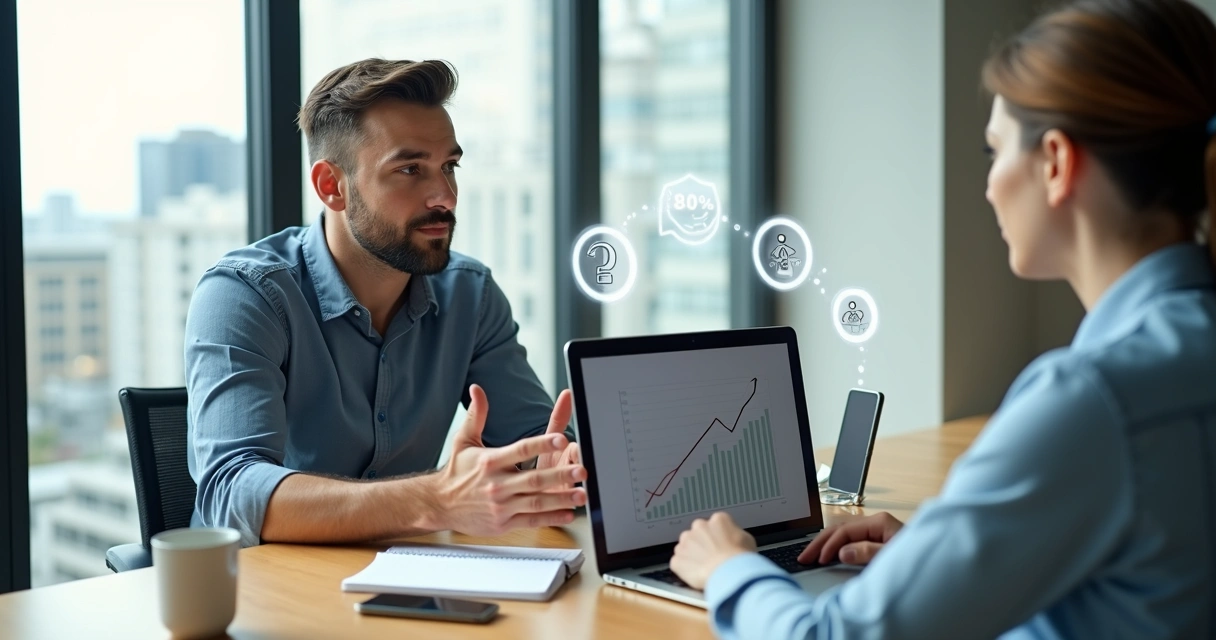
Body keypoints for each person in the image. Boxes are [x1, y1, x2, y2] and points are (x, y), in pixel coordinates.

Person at [669, 0, 1216, 637]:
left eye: (995, 150)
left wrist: (730, 568)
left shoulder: (1091, 402)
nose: (988, 185)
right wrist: (938, 560)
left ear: (1057, 164)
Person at [185, 59, 585, 547]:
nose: (445, 196)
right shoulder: (245, 295)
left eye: (449, 167)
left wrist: (552, 466)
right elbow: (232, 495)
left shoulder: (470, 295)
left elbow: (532, 444)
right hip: (272, 599)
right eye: (409, 169)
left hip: (413, 585)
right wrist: (436, 498)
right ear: (332, 186)